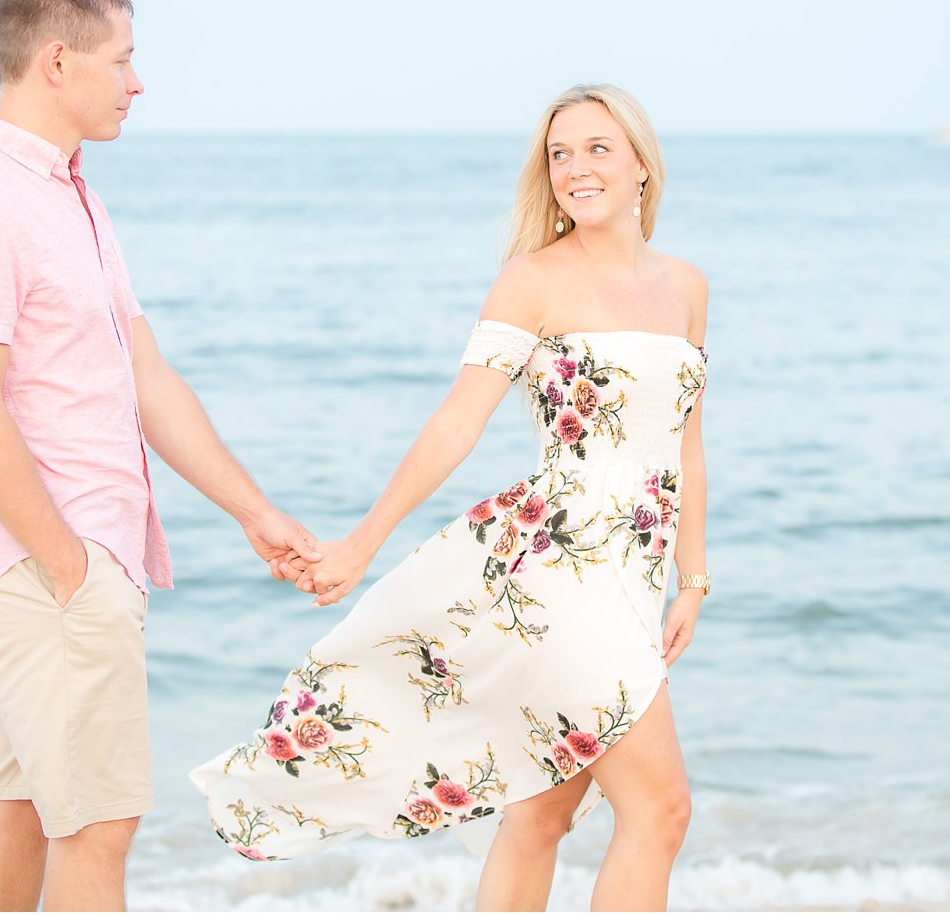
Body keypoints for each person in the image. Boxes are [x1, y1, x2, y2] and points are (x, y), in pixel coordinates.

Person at [192, 83, 711, 911]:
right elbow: (456, 423)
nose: (576, 168)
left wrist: (692, 578)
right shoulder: (532, 280)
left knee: (545, 812)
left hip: (635, 577)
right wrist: (364, 542)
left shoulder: (686, 286)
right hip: (562, 575)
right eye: (560, 153)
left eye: (597, 148)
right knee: (661, 808)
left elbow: (683, 439)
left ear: (643, 165)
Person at [0, 0, 321, 912]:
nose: (138, 82)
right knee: (97, 829)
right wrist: (66, 563)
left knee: (24, 813)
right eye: (123, 60)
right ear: (57, 60)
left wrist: (254, 512)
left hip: (81, 556)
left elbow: (147, 377)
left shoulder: (68, 196)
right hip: (50, 562)